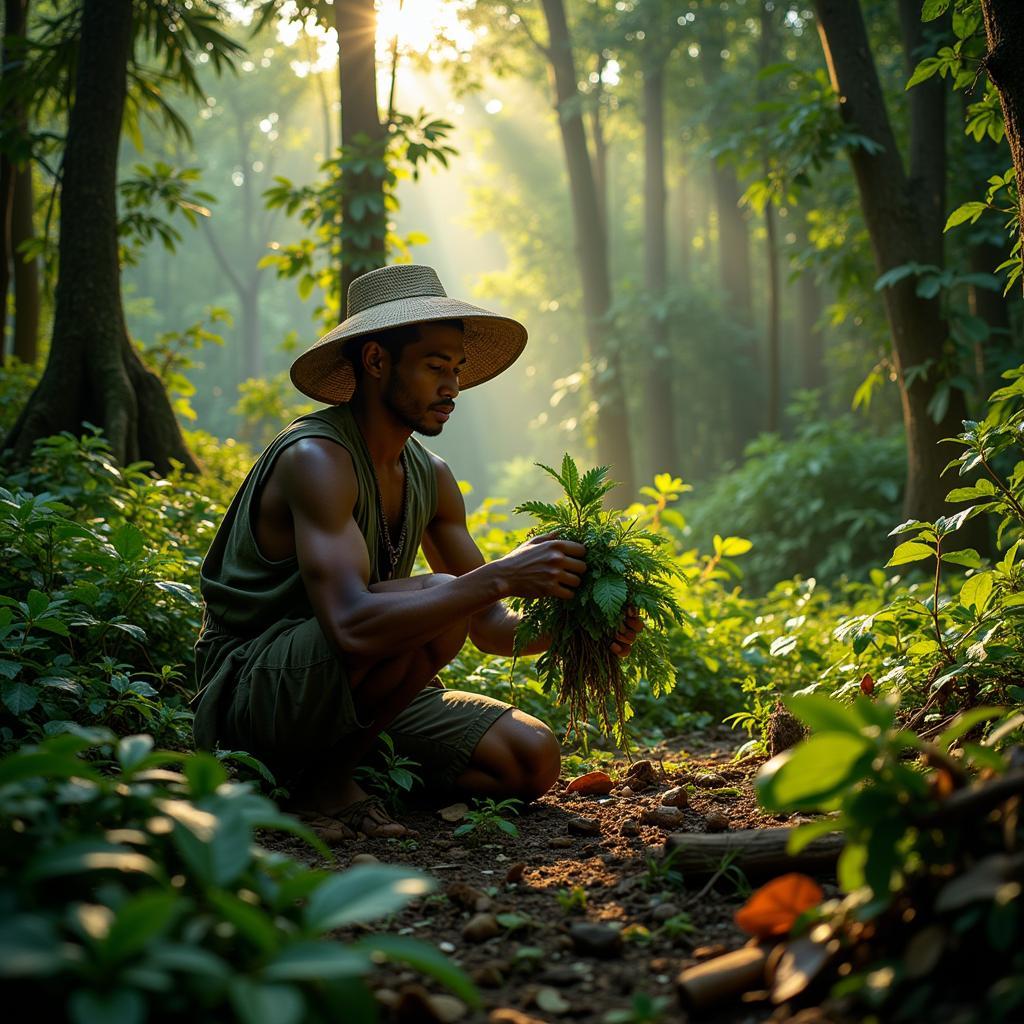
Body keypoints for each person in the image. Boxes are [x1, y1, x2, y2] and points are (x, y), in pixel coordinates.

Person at [192, 264, 641, 838]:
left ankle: (344, 773)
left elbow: (488, 625)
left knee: (530, 757)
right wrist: (501, 574)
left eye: (457, 369)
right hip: (256, 693)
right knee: (440, 592)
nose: (452, 386)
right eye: (435, 367)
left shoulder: (431, 476)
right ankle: (320, 787)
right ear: (376, 361)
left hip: (356, 694)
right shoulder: (317, 459)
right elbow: (353, 625)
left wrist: (580, 628)